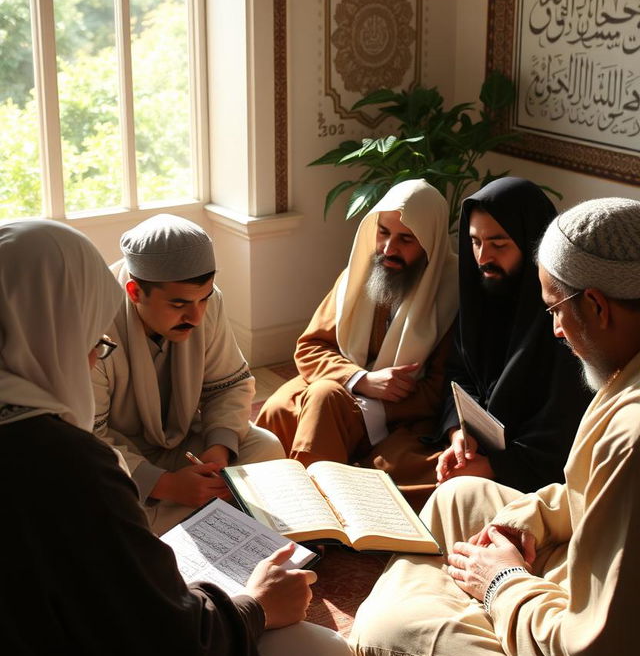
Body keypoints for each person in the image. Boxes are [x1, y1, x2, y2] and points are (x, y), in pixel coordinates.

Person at [0, 218, 353, 656]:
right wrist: (254, 608)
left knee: (257, 444)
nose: (95, 354)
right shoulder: (65, 466)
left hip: (172, 459)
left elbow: (232, 384)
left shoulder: (47, 443)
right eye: (91, 340)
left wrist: (217, 452)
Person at [350, 196, 640, 656]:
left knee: (385, 632)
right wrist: (529, 518)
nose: (554, 329)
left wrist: (500, 582)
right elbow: (584, 493)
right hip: (578, 604)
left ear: (600, 306)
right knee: (461, 495)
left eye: (556, 309)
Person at [256, 180, 458, 489]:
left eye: (406, 239)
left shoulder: (452, 294)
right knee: (279, 409)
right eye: (383, 233)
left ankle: (312, 509)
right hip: (344, 381)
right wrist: (361, 380)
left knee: (329, 405)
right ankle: (258, 499)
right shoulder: (358, 276)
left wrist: (374, 405)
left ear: (429, 243)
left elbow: (441, 391)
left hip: (403, 411)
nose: (389, 249)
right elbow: (310, 348)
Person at [92, 214, 284, 533]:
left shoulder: (207, 304)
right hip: (123, 459)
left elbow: (229, 385)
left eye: (203, 299)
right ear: (135, 292)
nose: (195, 317)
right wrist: (164, 485)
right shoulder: (96, 323)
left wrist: (218, 450)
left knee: (265, 447)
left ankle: (188, 522)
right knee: (108, 505)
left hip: (184, 447)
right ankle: (213, 517)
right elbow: (89, 437)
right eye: (179, 304)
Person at [433, 176, 590, 491]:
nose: (483, 258)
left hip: (531, 474)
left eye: (499, 244)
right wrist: (459, 433)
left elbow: (561, 429)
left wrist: (494, 466)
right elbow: (458, 373)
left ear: (532, 241)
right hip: (476, 453)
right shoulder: (484, 297)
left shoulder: (564, 318)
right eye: (475, 242)